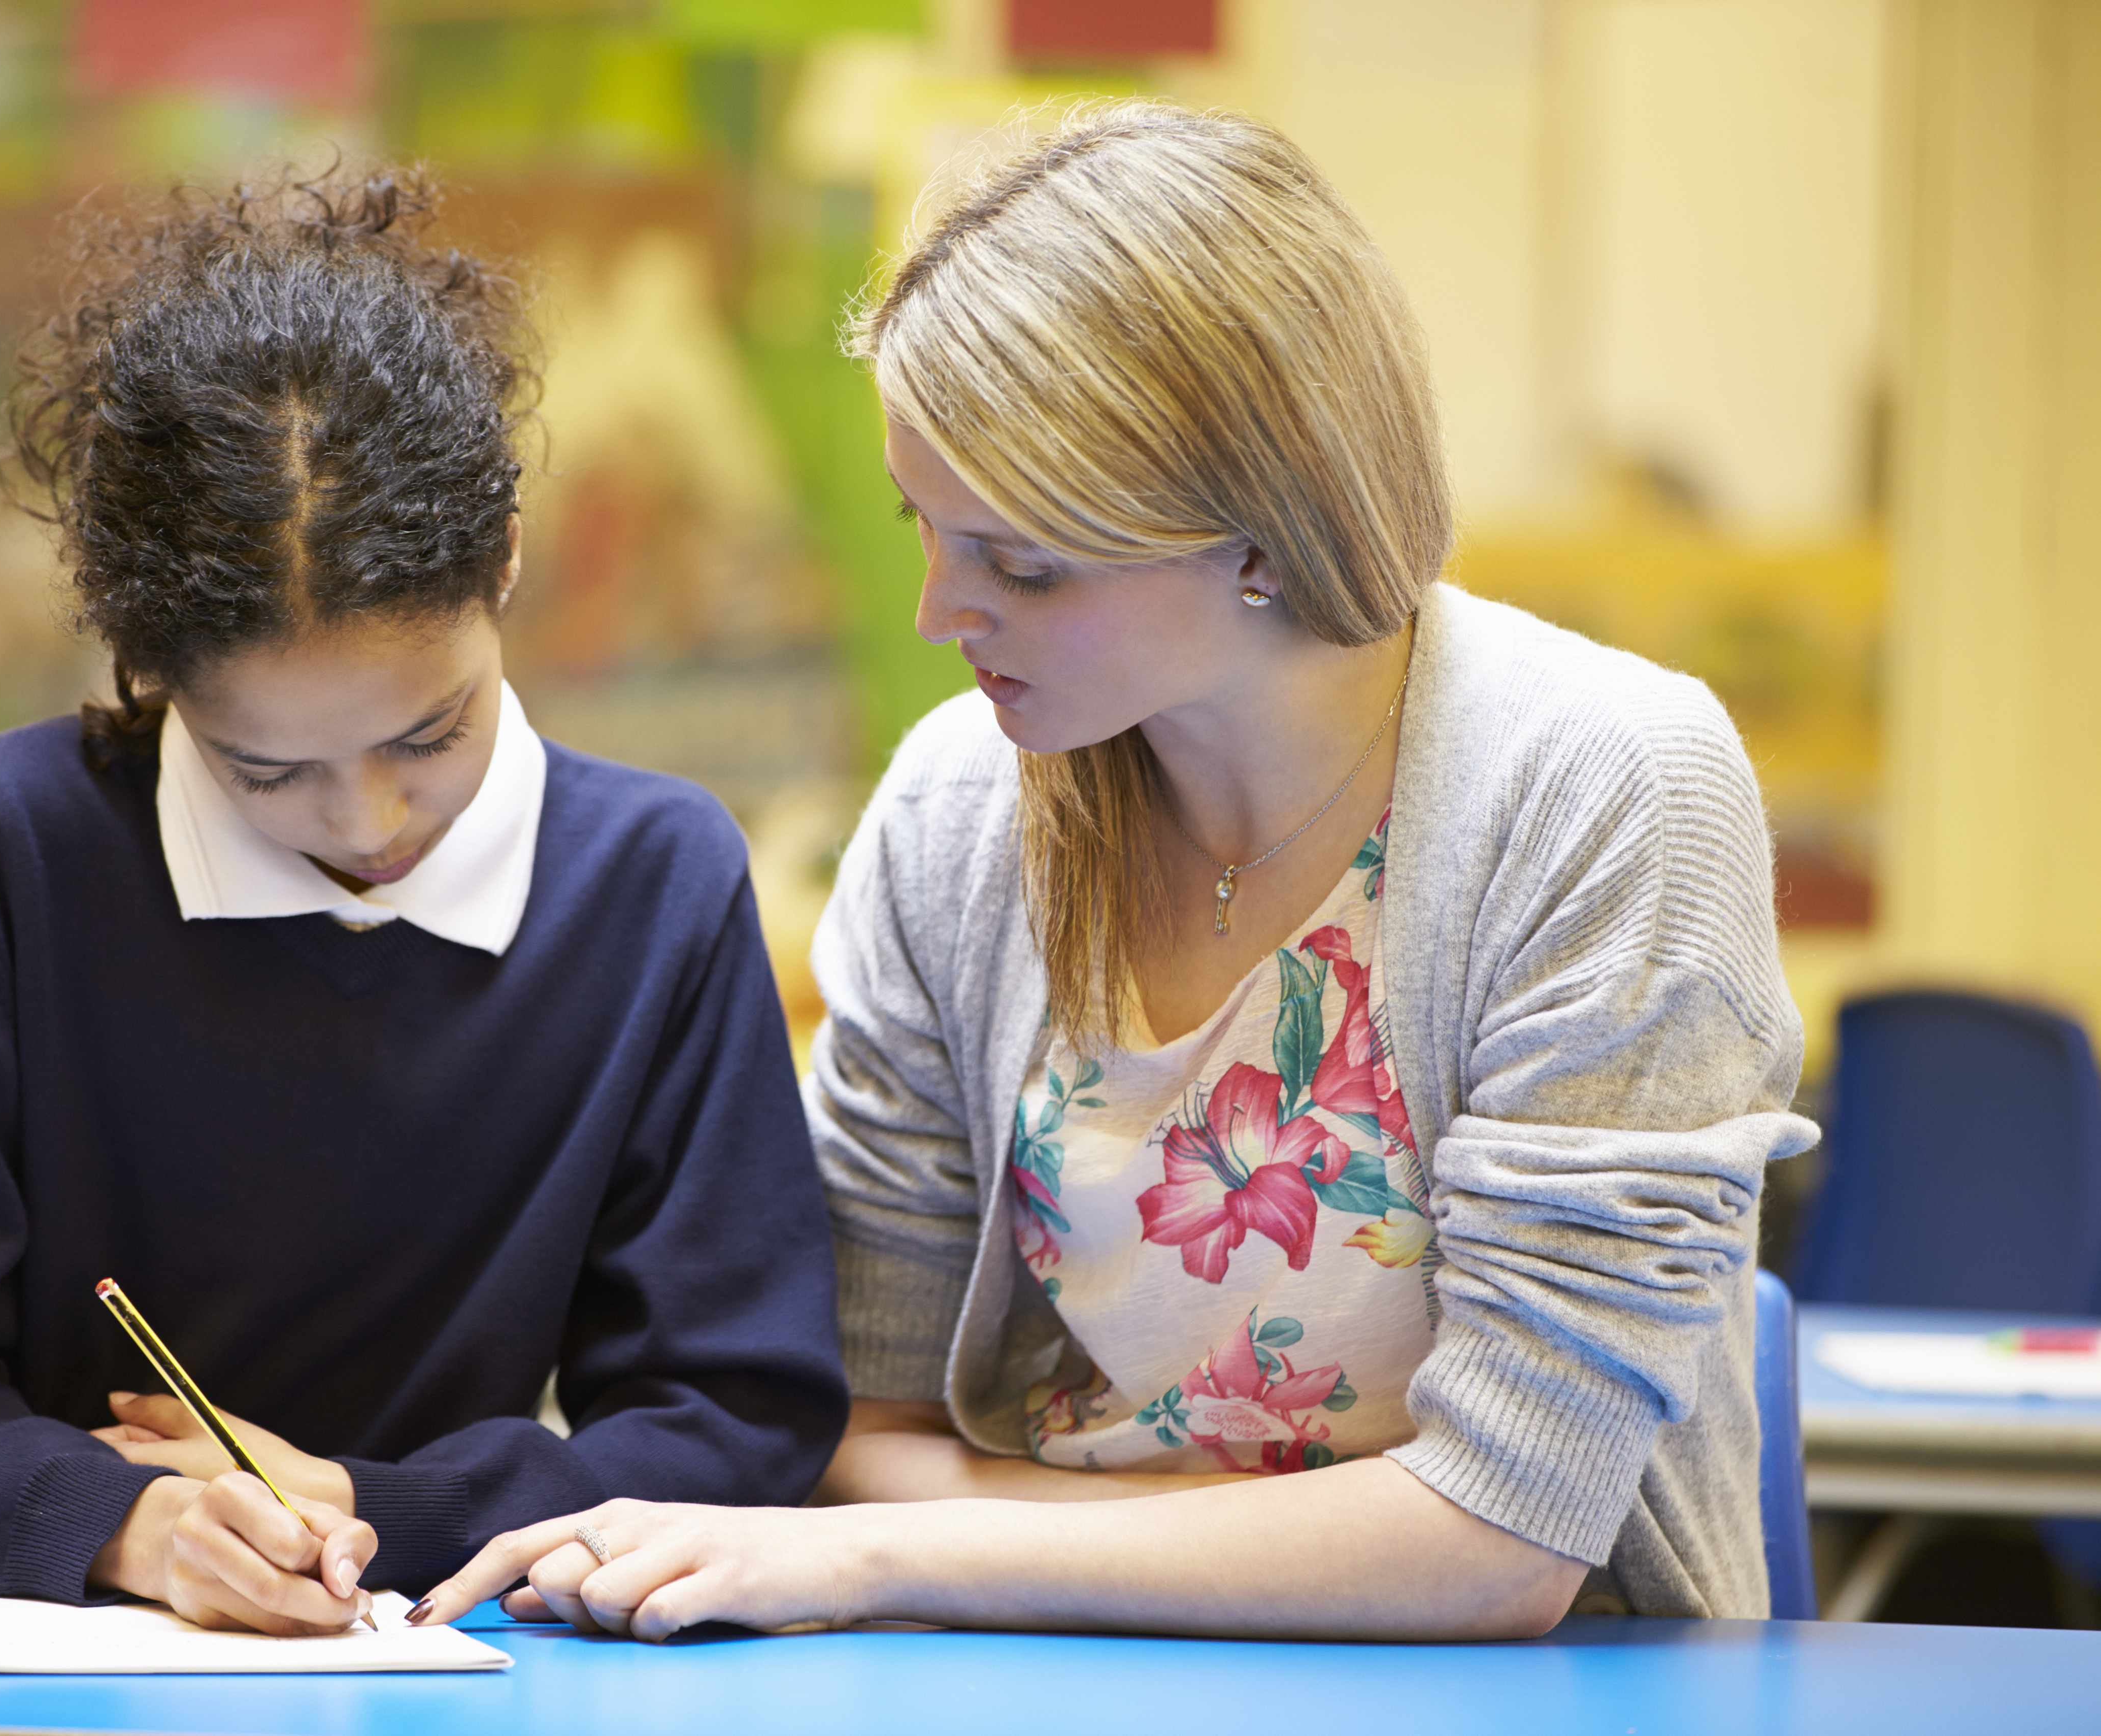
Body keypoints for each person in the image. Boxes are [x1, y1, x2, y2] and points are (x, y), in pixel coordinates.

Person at [409, 103, 1819, 1642]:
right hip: (1032, 1671)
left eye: (1023, 563)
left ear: (1262, 539)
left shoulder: (1603, 784)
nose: (946, 613)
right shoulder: (959, 808)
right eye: (923, 531)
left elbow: (1499, 1541)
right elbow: (845, 1420)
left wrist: (905, 1551)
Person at [0, 171, 849, 1635]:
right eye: (266, 769)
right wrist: (138, 1525)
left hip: (433, 1649)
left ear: (505, 557)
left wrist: (365, 1503)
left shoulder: (656, 881)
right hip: (0, 1657)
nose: (367, 821)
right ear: (152, 675)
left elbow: (734, 1417)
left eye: (428, 735)